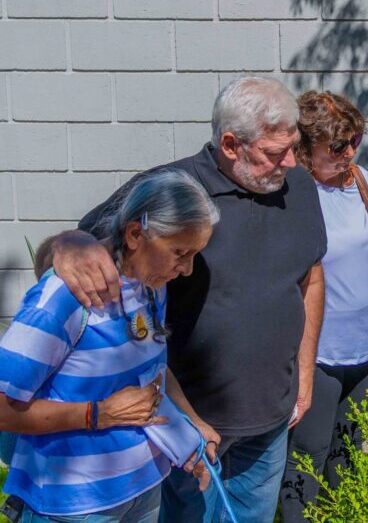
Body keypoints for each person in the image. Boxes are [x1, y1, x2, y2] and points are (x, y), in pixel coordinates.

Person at [44, 77, 327, 522]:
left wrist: (305, 376)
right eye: (276, 152)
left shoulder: (300, 188)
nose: (290, 162)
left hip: (269, 419)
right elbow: (77, 246)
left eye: (293, 147)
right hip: (184, 424)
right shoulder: (171, 189)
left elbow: (311, 277)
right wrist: (66, 244)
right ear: (231, 145)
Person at [0, 170, 218, 522]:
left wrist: (193, 424)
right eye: (180, 252)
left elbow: (154, 370)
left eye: (195, 254)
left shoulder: (151, 286)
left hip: (143, 489)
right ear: (135, 234)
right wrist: (97, 414)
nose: (188, 269)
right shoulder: (66, 296)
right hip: (74, 506)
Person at [279, 91, 368, 521]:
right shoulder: (294, 194)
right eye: (337, 146)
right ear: (305, 148)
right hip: (320, 353)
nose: (349, 152)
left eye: (355, 141)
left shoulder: (362, 180)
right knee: (308, 456)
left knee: (350, 452)